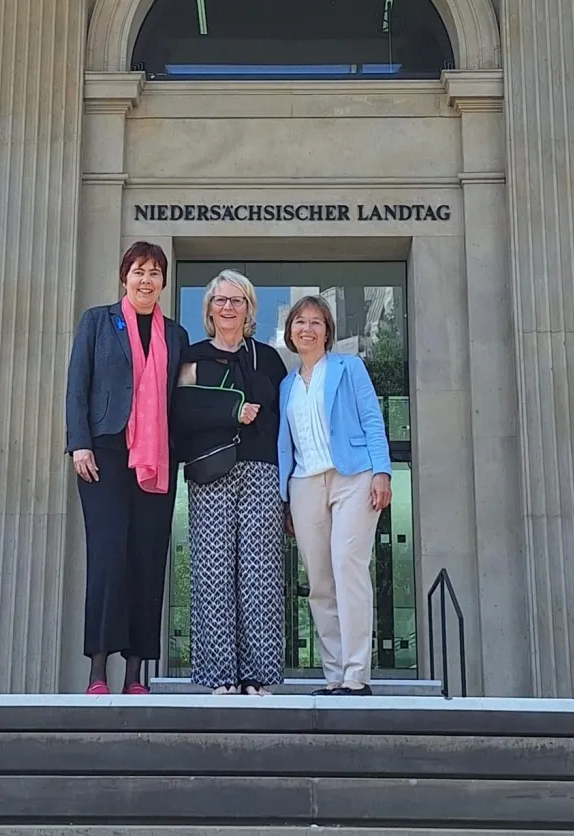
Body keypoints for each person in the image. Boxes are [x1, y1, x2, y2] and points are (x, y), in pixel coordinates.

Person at [65, 241, 189, 695]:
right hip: (105, 453)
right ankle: (98, 672)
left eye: (155, 272)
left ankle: (135, 676)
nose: (146, 279)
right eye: (139, 270)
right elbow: (77, 386)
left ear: (163, 281)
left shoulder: (175, 335)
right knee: (108, 557)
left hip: (157, 459)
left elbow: (183, 402)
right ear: (124, 277)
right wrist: (79, 444)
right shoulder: (98, 321)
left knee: (147, 560)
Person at [171, 270, 288, 695]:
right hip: (209, 471)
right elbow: (182, 411)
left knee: (260, 572)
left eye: (236, 301)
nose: (227, 308)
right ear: (208, 309)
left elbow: (282, 419)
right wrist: (230, 413)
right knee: (212, 571)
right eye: (220, 301)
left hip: (261, 469)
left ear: (249, 308)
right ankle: (219, 678)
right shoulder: (193, 356)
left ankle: (258, 677)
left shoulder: (269, 359)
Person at [277, 294, 392, 696]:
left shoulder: (349, 367)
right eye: (299, 322)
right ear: (290, 332)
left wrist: (382, 471)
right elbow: (284, 446)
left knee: (348, 566)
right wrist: (283, 500)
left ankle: (357, 674)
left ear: (327, 332)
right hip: (304, 483)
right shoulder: (286, 385)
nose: (307, 329)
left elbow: (372, 420)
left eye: (316, 322)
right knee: (321, 582)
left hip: (353, 476)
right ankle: (333, 675)